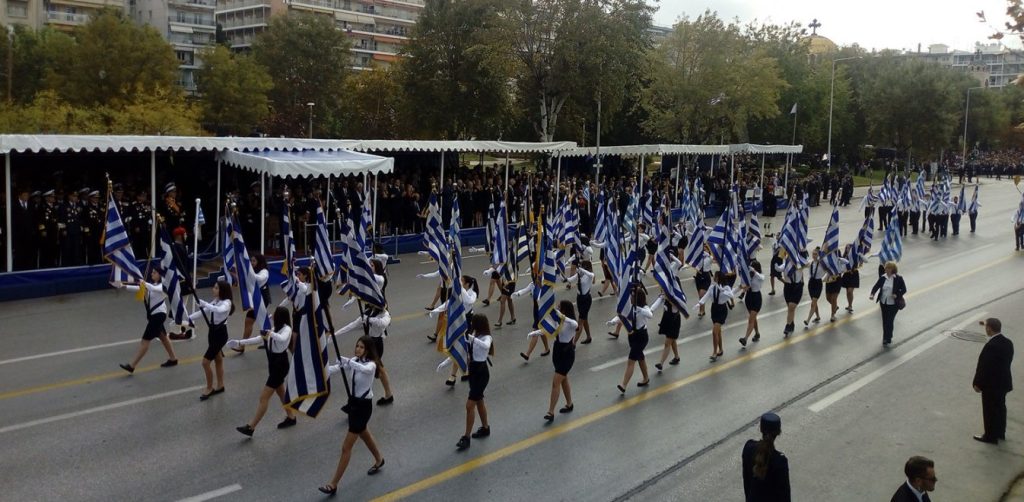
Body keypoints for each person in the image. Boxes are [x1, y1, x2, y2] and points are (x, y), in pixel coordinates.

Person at [319, 336, 386, 495]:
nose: (358, 349)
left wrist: (349, 362)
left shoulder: (371, 365)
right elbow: (335, 369)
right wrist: (318, 371)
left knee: (346, 447)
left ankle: (333, 484)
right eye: (357, 346)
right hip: (354, 405)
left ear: (368, 350)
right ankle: (379, 459)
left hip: (363, 408)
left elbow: (364, 369)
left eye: (362, 347)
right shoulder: (355, 360)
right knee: (365, 434)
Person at [228, 306, 298, 436]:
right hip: (273, 363)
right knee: (281, 393)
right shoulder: (274, 329)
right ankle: (291, 417)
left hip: (280, 365)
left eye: (275, 314)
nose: (272, 316)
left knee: (263, 397)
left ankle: (251, 427)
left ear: (280, 317)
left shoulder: (287, 329)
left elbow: (282, 339)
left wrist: (270, 334)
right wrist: (239, 342)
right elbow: (258, 339)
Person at [117, 269, 179, 373]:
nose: (152, 273)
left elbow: (152, 288)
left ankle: (132, 366)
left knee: (145, 341)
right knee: (163, 337)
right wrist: (124, 286)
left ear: (160, 275)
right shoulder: (153, 284)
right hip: (154, 316)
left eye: (154, 272)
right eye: (152, 272)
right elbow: (140, 288)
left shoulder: (162, 286)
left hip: (158, 316)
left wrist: (143, 282)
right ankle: (173, 359)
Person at [528, 300, 579, 422]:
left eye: (559, 307)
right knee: (563, 379)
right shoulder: (558, 321)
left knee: (556, 382)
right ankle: (569, 403)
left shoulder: (571, 323)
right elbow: (547, 330)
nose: (557, 308)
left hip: (567, 353)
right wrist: (534, 333)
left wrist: (559, 315)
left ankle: (551, 412)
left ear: (564, 310)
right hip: (557, 351)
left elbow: (575, 324)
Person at [336, 304, 396, 405]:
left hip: (376, 345)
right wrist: (336, 334)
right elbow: (353, 324)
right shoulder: (369, 311)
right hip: (368, 343)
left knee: (367, 370)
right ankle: (388, 395)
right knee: (379, 369)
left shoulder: (385, 314)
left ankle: (360, 399)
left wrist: (369, 319)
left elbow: (383, 324)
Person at [189, 280, 234, 400]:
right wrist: (188, 319)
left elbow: (218, 310)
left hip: (220, 334)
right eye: (214, 287)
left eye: (216, 288)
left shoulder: (227, 302)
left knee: (205, 362)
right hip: (212, 332)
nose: (213, 289)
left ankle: (209, 388)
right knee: (218, 359)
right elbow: (203, 312)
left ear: (222, 290)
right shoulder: (217, 301)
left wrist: (206, 304)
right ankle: (221, 385)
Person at [972, 317, 1014, 444]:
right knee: (1000, 408)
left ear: (989, 329)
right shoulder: (1008, 342)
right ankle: (1000, 432)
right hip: (1004, 383)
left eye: (986, 327)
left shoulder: (991, 346)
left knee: (990, 410)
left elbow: (984, 367)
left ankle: (990, 436)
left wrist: (977, 383)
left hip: (992, 385)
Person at [455, 315, 494, 451]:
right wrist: (447, 362)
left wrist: (472, 338)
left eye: (473, 323)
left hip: (482, 373)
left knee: (469, 405)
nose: (471, 324)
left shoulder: (486, 337)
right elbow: (465, 352)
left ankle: (466, 437)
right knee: (479, 401)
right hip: (473, 372)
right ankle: (485, 428)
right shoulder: (474, 335)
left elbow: (486, 346)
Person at [607, 285, 655, 394]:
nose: (631, 298)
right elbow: (621, 316)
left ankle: (623, 385)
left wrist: (638, 309)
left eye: (632, 297)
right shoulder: (630, 308)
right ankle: (646, 377)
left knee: (631, 360)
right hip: (632, 336)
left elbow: (650, 315)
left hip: (641, 337)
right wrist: (613, 322)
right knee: (640, 357)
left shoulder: (644, 308)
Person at [741, 412, 790, 502]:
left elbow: (747, 483)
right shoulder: (780, 462)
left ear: (760, 428)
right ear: (778, 433)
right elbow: (784, 497)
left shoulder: (748, 447)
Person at [234, 254, 270, 354]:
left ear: (259, 261)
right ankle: (269, 341)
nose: (252, 263)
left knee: (250, 321)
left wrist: (247, 271)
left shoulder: (264, 271)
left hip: (261, 299)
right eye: (251, 261)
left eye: (254, 261)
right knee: (256, 321)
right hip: (254, 299)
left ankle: (242, 346)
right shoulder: (252, 271)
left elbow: (258, 278)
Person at [696, 271, 734, 362]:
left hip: (722, 310)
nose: (713, 277)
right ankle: (720, 349)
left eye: (715, 276)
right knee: (718, 332)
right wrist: (699, 304)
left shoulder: (726, 287)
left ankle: (714, 352)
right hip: (714, 309)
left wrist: (723, 290)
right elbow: (706, 296)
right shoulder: (712, 287)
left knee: (714, 332)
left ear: (718, 277)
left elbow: (731, 295)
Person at [869, 261, 907, 347]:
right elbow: (876, 286)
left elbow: (904, 289)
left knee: (889, 320)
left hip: (893, 304)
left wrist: (897, 294)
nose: (886, 269)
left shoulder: (898, 278)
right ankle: (886, 337)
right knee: (885, 320)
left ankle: (887, 338)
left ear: (893, 269)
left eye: (888, 268)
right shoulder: (883, 278)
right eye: (886, 268)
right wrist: (872, 294)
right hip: (883, 302)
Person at [566, 261, 595, 344]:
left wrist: (582, 270)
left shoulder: (589, 275)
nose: (580, 267)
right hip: (579, 298)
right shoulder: (580, 274)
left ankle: (573, 343)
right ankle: (589, 337)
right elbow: (571, 279)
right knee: (584, 319)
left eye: (582, 266)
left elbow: (591, 275)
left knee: (580, 321)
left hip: (586, 300)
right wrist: (565, 279)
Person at [738, 260, 764, 347]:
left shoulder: (760, 276)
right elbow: (743, 285)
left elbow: (761, 277)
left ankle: (745, 339)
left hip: (757, 298)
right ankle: (757, 333)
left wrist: (754, 272)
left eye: (753, 267)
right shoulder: (749, 276)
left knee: (751, 319)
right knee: (753, 318)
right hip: (749, 297)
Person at [803, 248, 824, 328]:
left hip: (818, 283)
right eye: (813, 254)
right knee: (814, 302)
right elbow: (801, 265)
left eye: (816, 254)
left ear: (819, 255)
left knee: (813, 303)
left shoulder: (822, 264)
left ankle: (807, 320)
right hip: (811, 283)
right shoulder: (810, 263)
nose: (814, 255)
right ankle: (818, 316)